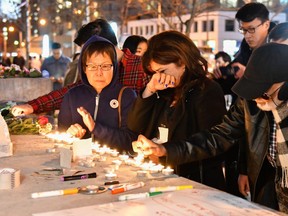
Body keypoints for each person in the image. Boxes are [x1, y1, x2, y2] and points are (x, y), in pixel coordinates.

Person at [127, 30, 227, 191]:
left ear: (182, 61)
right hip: (160, 177)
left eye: (162, 71)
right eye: (154, 72)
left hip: (194, 184)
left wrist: (165, 151)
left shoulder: (207, 90)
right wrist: (149, 90)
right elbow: (133, 125)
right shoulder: (162, 90)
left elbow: (212, 143)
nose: (158, 77)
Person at [11, 19, 149, 116]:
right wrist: (32, 106)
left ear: (103, 45)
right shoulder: (92, 69)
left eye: (87, 50)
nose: (85, 56)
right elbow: (73, 90)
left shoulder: (143, 68)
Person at [58, 35, 137, 152]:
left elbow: (131, 140)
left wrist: (95, 127)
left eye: (105, 66)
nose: (99, 73)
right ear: (84, 68)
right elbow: (62, 136)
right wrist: (71, 134)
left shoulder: (127, 96)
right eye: (92, 66)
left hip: (115, 166)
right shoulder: (72, 96)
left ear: (114, 67)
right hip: (78, 166)